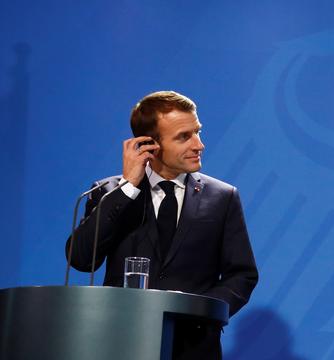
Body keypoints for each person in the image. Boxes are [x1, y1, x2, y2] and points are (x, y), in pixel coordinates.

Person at [66, 90, 259, 358]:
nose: (198, 144)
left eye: (197, 131)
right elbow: (81, 259)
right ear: (148, 145)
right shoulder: (109, 193)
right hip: (120, 343)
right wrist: (127, 189)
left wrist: (199, 312)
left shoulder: (223, 197)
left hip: (192, 346)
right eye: (184, 136)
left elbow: (242, 274)